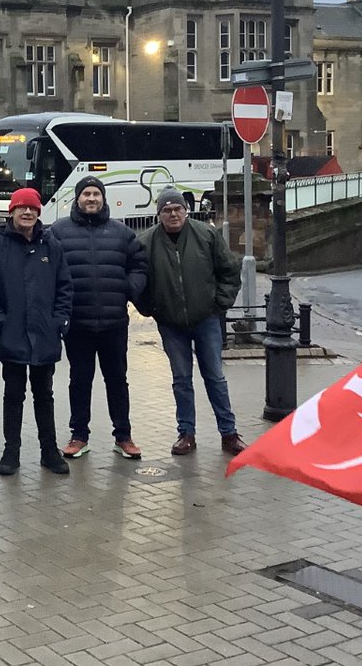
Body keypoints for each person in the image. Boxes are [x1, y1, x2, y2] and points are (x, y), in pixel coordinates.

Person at [136, 187, 247, 456]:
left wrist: (220, 303)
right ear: (159, 214)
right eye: (167, 210)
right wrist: (151, 309)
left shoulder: (206, 234)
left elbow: (229, 270)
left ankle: (229, 433)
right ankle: (186, 433)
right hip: (171, 323)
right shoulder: (147, 243)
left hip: (206, 318)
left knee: (215, 377)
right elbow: (138, 282)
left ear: (186, 211)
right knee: (181, 379)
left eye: (177, 209)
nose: (173, 214)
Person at [0, 187, 73, 476]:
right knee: (13, 394)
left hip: (44, 334)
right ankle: (11, 451)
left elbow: (65, 287)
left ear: (39, 212)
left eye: (32, 208)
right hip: (13, 334)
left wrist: (60, 321)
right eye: (22, 208)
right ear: (12, 211)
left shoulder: (51, 245)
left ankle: (49, 451)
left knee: (45, 394)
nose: (27, 213)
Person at [48, 176, 148, 460]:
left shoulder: (122, 233)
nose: (91, 199)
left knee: (117, 379)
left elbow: (139, 265)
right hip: (78, 322)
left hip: (114, 321)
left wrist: (130, 289)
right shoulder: (58, 232)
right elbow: (50, 270)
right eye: (86, 194)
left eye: (96, 194)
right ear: (77, 198)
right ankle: (79, 435)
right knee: (79, 380)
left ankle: (123, 436)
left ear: (103, 199)